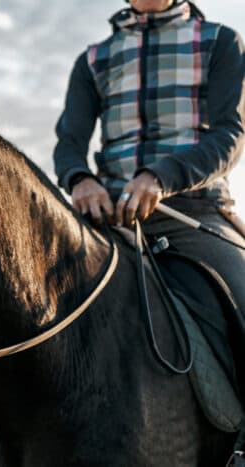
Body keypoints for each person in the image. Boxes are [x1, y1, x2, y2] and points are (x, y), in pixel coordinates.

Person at [52, 0, 245, 422]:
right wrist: (79, 178)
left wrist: (162, 176)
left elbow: (231, 134)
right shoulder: (93, 59)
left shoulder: (220, 42)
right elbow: (69, 141)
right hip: (109, 219)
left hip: (195, 210)